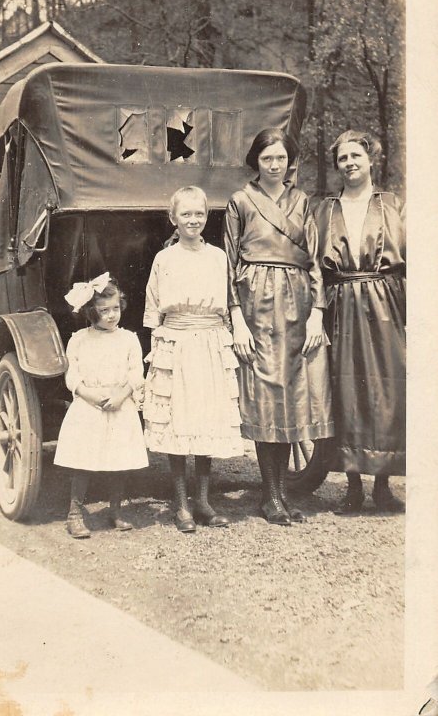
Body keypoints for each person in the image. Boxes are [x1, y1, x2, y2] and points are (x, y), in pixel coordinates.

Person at [223, 128, 334, 526]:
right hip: (255, 300)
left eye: (281, 158)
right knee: (266, 393)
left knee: (292, 393)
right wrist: (236, 316)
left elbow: (315, 259)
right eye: (267, 158)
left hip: (297, 299)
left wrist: (317, 310)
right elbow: (230, 262)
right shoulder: (240, 201)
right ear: (256, 160)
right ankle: (270, 496)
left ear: (290, 162)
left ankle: (281, 494)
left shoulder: (302, 200)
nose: (274, 165)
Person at [143, 186, 244, 533]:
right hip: (177, 340)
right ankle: (181, 504)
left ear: (206, 216)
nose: (193, 220)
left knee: (206, 419)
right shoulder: (164, 259)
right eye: (185, 214)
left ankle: (203, 501)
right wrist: (157, 349)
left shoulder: (218, 257)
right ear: (173, 218)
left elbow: (228, 303)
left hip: (210, 340)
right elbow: (153, 307)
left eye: (199, 214)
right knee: (178, 421)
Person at [315, 129, 406, 514]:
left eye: (356, 156)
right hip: (340, 303)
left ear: (371, 160)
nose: (350, 163)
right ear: (336, 165)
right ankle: (352, 485)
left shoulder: (392, 204)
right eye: (342, 158)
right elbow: (314, 268)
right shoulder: (325, 209)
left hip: (385, 302)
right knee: (346, 389)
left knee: (386, 388)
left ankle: (382, 484)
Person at [54, 272, 149, 538]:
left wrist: (122, 394)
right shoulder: (80, 339)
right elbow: (72, 375)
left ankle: (115, 510)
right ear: (90, 311)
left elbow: (135, 372)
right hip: (89, 405)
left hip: (119, 403)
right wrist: (87, 394)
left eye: (115, 308)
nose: (111, 315)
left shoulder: (128, 339)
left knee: (118, 458)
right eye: (104, 310)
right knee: (83, 459)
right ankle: (74, 513)